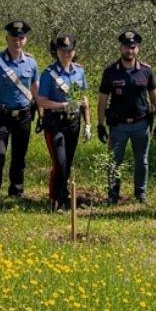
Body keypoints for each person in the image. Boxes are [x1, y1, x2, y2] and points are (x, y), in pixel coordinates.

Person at [97, 30, 156, 204]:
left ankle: (140, 195)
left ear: (138, 49)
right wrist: (100, 124)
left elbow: (155, 98)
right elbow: (103, 99)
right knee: (114, 162)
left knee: (142, 162)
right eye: (127, 47)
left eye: (133, 47)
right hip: (118, 125)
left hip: (141, 124)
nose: (130, 50)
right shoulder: (111, 71)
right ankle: (112, 195)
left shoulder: (146, 71)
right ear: (120, 48)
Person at [0, 20, 39, 210]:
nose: (17, 41)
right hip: (1, 116)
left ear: (26, 39)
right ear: (7, 38)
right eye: (14, 37)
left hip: (23, 116)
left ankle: (16, 191)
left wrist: (41, 112)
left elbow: (35, 88)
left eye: (21, 37)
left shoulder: (31, 62)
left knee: (20, 157)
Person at [36, 34, 90, 211]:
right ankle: (54, 199)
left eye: (69, 51)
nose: (66, 54)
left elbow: (83, 98)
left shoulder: (79, 71)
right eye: (62, 51)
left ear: (74, 52)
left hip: (73, 122)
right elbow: (41, 101)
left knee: (68, 162)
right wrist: (62, 105)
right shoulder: (48, 74)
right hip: (55, 122)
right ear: (57, 52)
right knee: (59, 162)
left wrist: (88, 124)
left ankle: (63, 197)